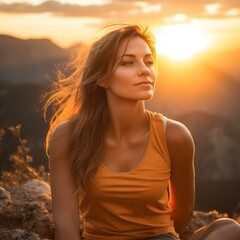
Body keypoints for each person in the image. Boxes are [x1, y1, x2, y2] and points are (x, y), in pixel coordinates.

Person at [44, 24, 240, 240]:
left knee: (229, 229)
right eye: (128, 62)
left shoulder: (174, 136)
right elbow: (66, 221)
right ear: (102, 79)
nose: (145, 70)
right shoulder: (67, 137)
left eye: (149, 61)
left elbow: (182, 213)